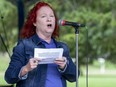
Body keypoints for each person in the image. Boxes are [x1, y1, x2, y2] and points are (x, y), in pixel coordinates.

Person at [5, 1, 79, 87]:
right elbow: (9, 77)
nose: (49, 19)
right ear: (34, 22)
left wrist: (64, 66)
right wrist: (26, 68)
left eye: (52, 16)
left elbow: (74, 76)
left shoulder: (62, 47)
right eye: (43, 16)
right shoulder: (24, 45)